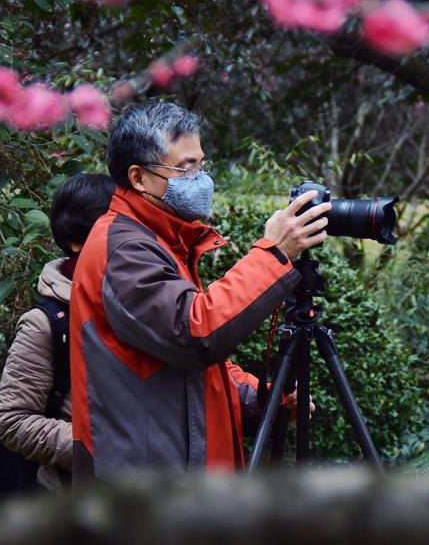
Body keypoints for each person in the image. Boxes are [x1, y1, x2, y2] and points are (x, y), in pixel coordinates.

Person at [69, 102, 330, 480]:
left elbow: (191, 375)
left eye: (201, 165)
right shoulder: (125, 250)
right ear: (139, 178)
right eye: (185, 167)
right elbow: (196, 332)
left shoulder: (162, 240)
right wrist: (274, 253)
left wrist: (259, 396)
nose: (200, 179)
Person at [0, 172, 115, 491]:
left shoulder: (143, 301)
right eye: (107, 230)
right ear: (76, 242)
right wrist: (96, 450)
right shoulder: (46, 322)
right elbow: (13, 421)